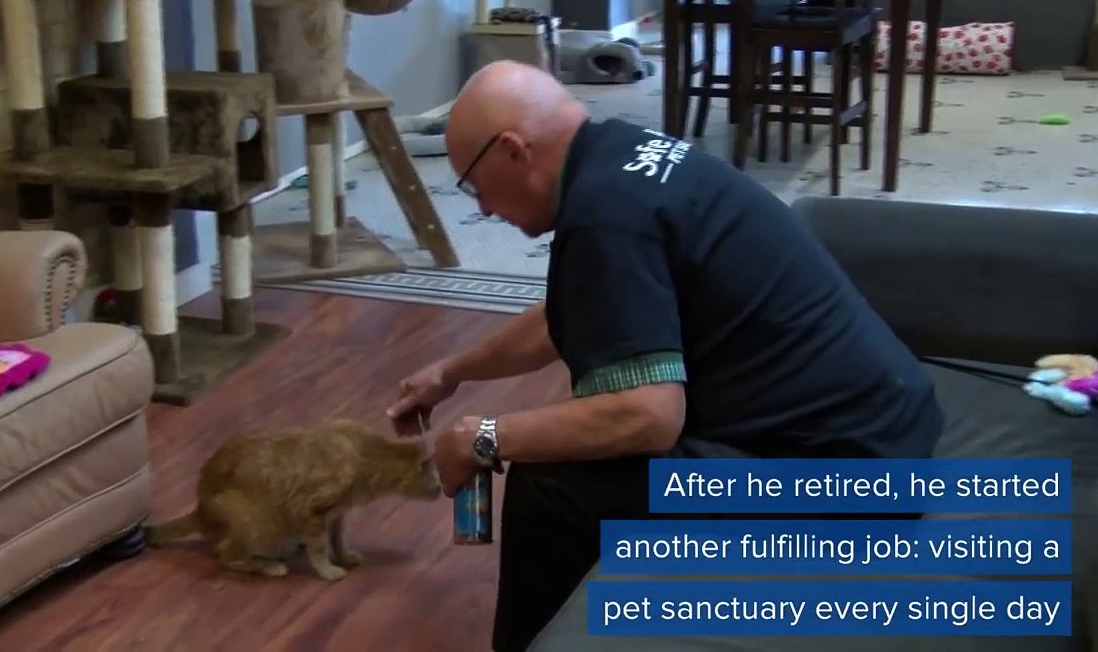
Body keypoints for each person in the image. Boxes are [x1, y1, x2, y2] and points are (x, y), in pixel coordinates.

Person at [384, 60, 944, 652]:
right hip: (889, 430)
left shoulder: (606, 219)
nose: (486, 210)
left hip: (841, 481)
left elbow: (647, 417)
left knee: (552, 483)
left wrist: (484, 436)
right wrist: (449, 372)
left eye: (475, 186)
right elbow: (573, 312)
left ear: (514, 150)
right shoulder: (623, 155)